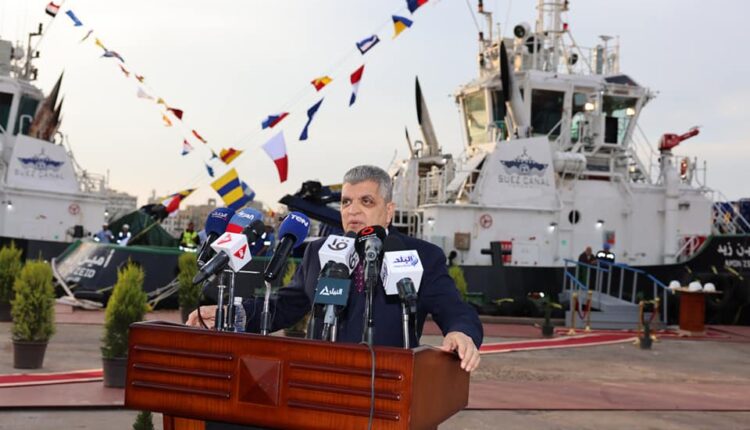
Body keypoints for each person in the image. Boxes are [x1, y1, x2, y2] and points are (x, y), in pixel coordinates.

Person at [188, 165, 482, 372]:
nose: (353, 210)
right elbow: (285, 306)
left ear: (388, 211)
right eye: (346, 202)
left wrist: (461, 333)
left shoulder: (421, 256)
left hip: (390, 384)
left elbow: (455, 309)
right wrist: (232, 314)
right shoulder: (318, 252)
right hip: (319, 380)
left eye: (366, 201)